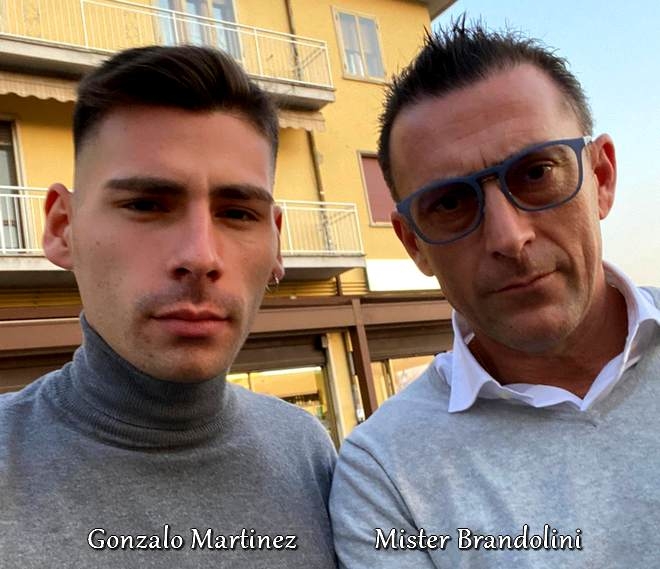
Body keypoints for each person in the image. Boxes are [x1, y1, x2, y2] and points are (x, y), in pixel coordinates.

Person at [330, 21, 660, 568]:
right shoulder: (387, 475)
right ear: (414, 244)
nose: (509, 237)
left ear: (601, 177)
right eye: (450, 203)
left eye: (536, 173)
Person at [0, 45, 337, 568]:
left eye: (238, 213)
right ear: (63, 227)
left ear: (276, 243)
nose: (200, 256)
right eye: (145, 205)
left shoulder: (308, 453)